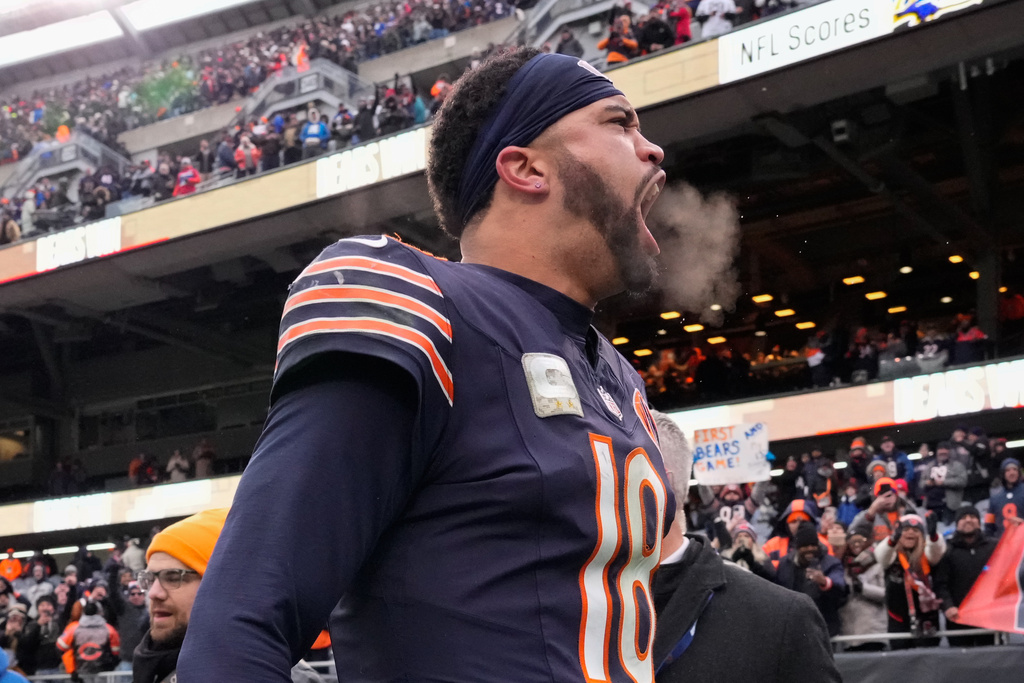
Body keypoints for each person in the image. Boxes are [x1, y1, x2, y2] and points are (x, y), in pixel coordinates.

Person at [181, 49, 676, 682]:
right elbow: (240, 627)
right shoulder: (423, 301)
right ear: (526, 168)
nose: (652, 149)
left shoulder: (617, 376)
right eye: (619, 123)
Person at [651, 411, 840, 682]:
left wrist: (762, 472)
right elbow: (705, 496)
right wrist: (702, 475)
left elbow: (757, 495)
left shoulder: (779, 618)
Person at [132, 509, 320, 683]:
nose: (154, 593)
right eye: (149, 578)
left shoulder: (271, 675)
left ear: (223, 586)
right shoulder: (156, 667)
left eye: (173, 578)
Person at [875, 513, 946, 649]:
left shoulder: (927, 555)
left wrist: (933, 537)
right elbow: (881, 557)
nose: (910, 533)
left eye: (915, 530)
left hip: (927, 620)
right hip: (898, 619)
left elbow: (936, 553)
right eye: (906, 530)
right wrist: (891, 541)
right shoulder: (892, 556)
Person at [933, 506, 998, 647]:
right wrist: (948, 606)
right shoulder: (947, 550)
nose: (968, 520)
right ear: (957, 524)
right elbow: (940, 584)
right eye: (963, 517)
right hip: (958, 618)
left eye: (972, 517)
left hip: (988, 617)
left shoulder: (994, 546)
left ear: (979, 522)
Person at [773, 521, 847, 636]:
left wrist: (825, 582)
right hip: (793, 628)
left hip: (824, 628)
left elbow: (841, 589)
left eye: (813, 545)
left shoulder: (830, 563)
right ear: (798, 547)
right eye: (805, 546)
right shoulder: (785, 564)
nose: (810, 549)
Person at [838, 531, 887, 651]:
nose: (856, 544)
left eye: (860, 540)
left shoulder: (879, 564)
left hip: (873, 631)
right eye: (852, 541)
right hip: (849, 632)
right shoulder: (842, 567)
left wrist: (863, 588)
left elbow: (886, 594)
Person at [56, 600, 120, 678]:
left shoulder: (73, 628)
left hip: (80, 670)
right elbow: (116, 651)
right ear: (99, 612)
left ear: (83, 612)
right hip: (103, 670)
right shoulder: (109, 629)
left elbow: (61, 646)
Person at [850, 477, 917, 543]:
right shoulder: (871, 516)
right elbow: (851, 532)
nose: (886, 499)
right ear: (876, 498)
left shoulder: (907, 513)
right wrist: (870, 512)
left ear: (896, 495)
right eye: (881, 495)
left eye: (889, 495)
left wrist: (905, 501)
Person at [920, 442, 968, 524]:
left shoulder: (957, 466)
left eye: (945, 452)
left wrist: (943, 482)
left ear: (949, 452)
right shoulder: (930, 466)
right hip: (930, 505)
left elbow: (963, 481)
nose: (943, 453)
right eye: (940, 451)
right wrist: (928, 483)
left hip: (949, 506)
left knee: (948, 530)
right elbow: (921, 482)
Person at [985, 457, 1024, 537]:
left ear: (1019, 472)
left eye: (1015, 469)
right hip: (1003, 544)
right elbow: (989, 525)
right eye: (1008, 470)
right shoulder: (995, 498)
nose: (1012, 472)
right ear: (1003, 474)